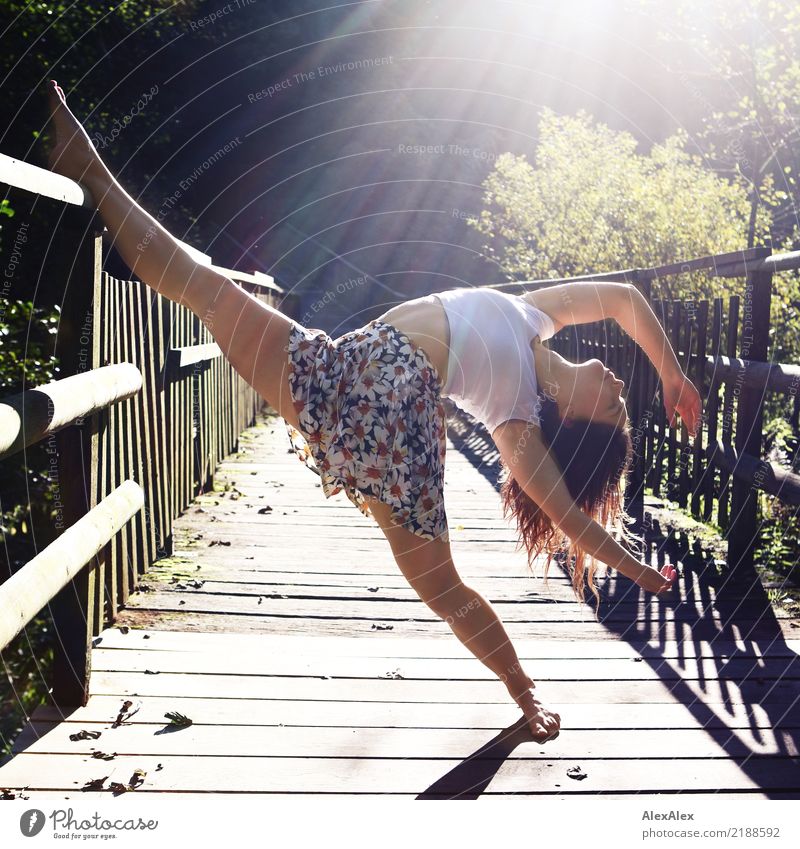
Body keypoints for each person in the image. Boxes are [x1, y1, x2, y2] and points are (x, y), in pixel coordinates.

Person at [45, 80, 701, 744]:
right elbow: (623, 298)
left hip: (398, 434)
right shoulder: (537, 313)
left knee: (447, 591)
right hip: (344, 369)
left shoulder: (518, 421)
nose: (623, 393)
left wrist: (638, 569)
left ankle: (525, 692)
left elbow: (568, 521)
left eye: (616, 411)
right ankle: (88, 165)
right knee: (206, 290)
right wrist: (671, 373)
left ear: (578, 422)